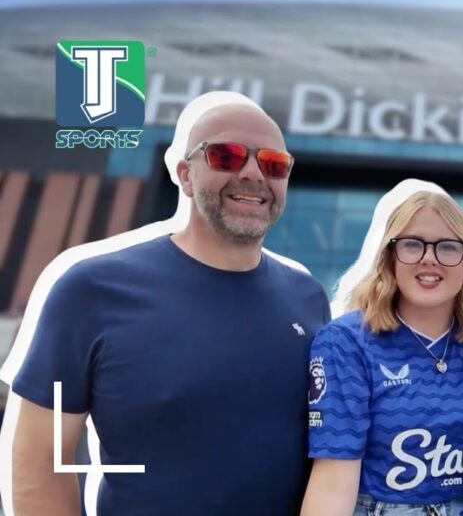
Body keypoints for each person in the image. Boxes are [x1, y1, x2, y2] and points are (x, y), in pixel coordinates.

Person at [10, 100, 331, 515]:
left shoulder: (308, 298)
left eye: (274, 164)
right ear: (184, 175)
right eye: (226, 156)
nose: (253, 173)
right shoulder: (91, 291)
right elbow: (41, 459)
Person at [301, 191, 463, 516]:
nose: (429, 258)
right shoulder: (346, 342)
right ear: (390, 257)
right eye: (413, 244)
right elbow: (332, 484)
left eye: (448, 246)